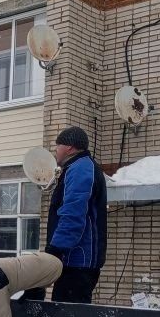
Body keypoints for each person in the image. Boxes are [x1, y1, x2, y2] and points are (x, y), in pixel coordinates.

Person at [45, 126, 107, 304]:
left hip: (79, 261)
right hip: (73, 260)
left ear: (69, 148)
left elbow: (73, 214)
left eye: (58, 146)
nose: (55, 151)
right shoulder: (77, 167)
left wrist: (55, 249)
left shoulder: (81, 169)